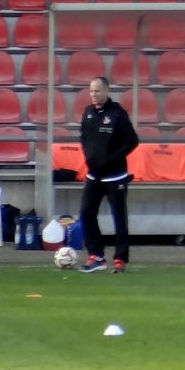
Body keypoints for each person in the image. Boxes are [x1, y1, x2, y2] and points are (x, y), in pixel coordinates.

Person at [78, 77, 139, 273]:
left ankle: (120, 259)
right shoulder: (88, 113)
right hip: (94, 175)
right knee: (86, 212)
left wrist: (111, 158)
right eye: (91, 91)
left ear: (106, 91)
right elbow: (84, 138)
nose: (93, 95)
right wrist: (89, 158)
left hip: (115, 176)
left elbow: (132, 141)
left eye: (97, 91)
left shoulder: (118, 114)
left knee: (119, 217)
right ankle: (96, 256)